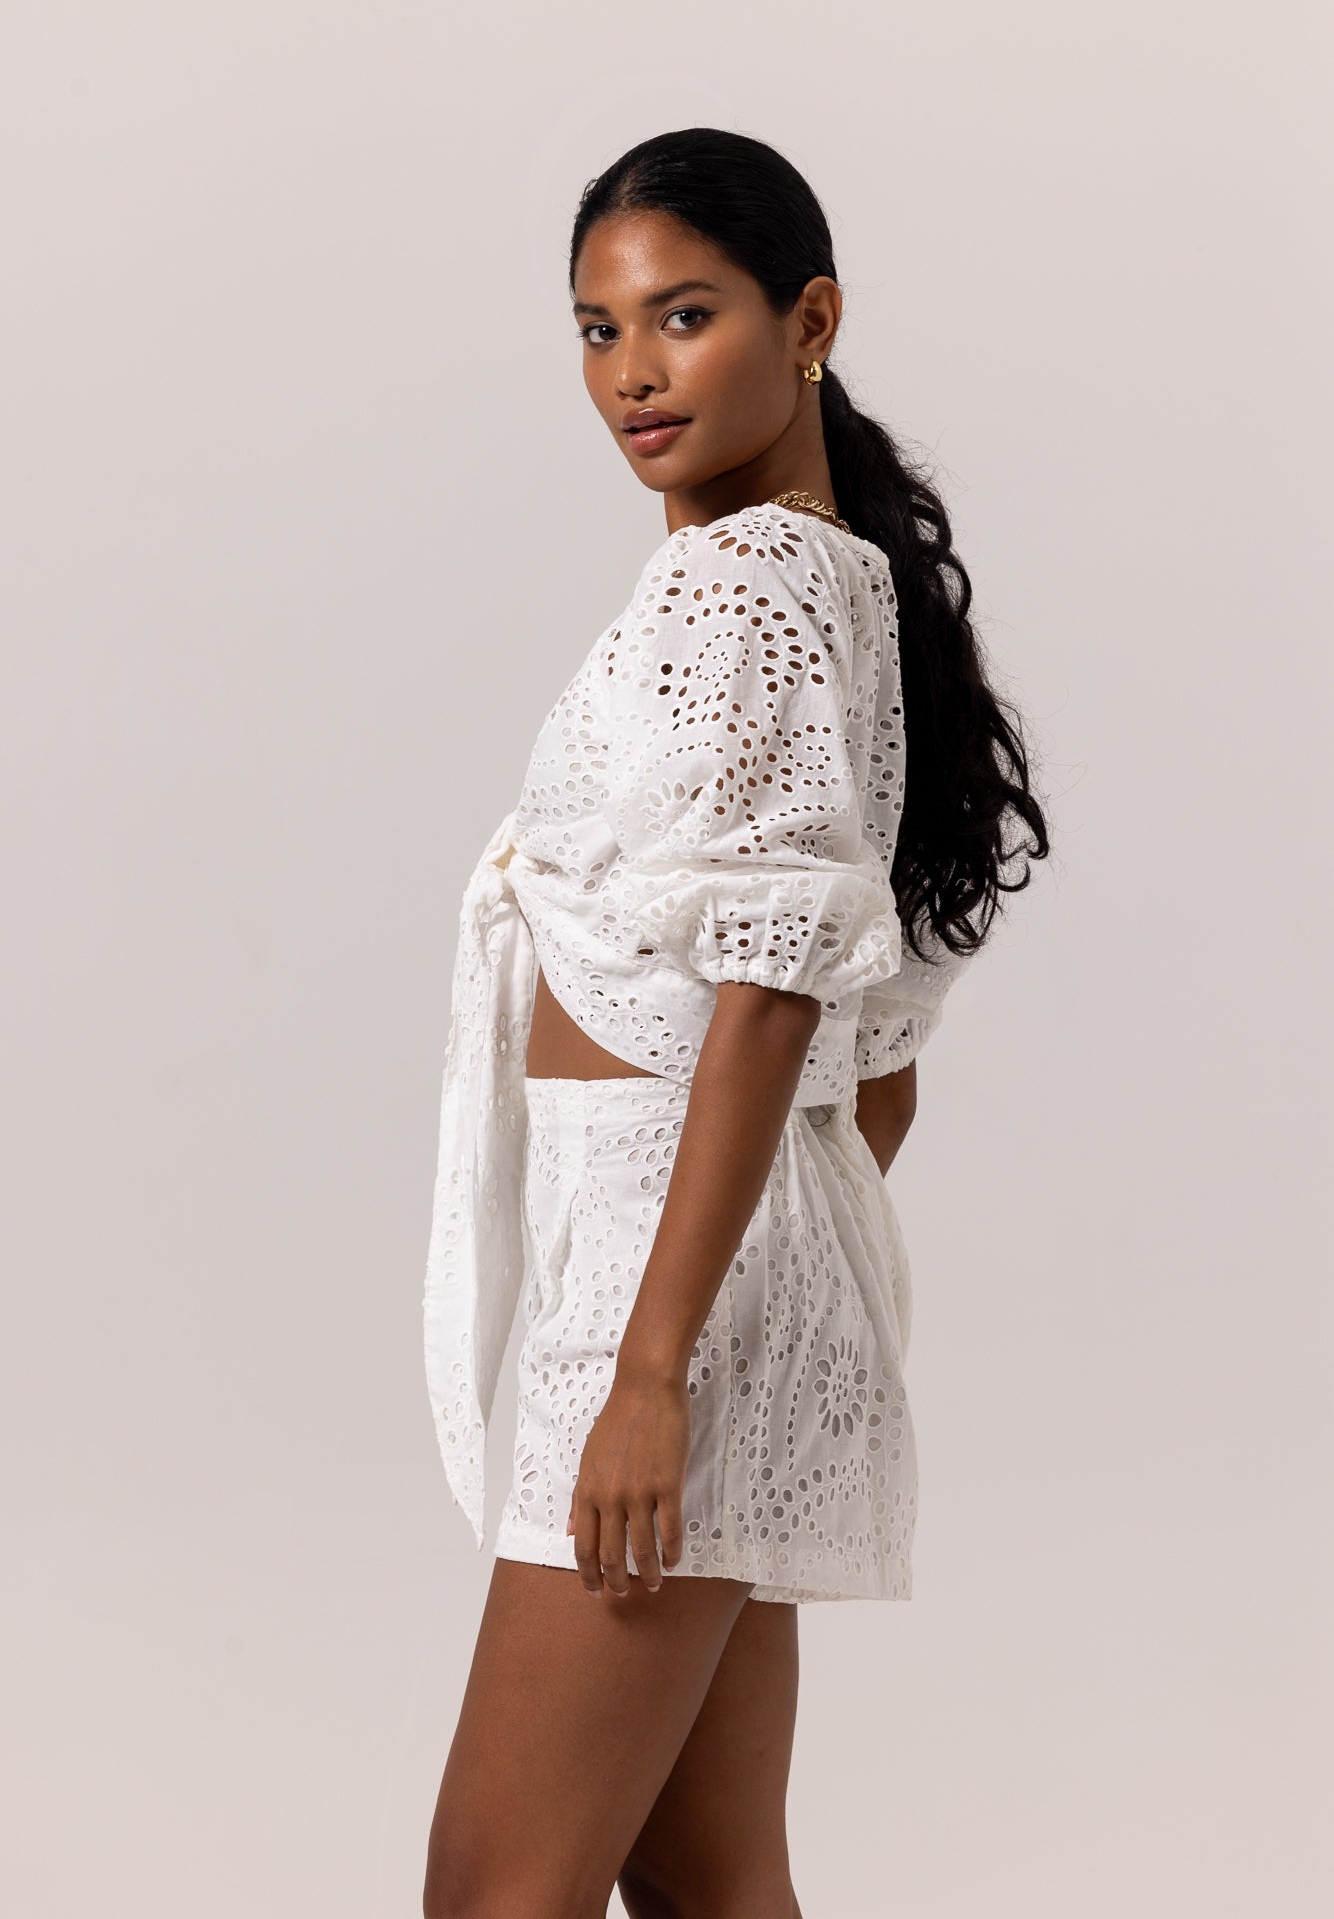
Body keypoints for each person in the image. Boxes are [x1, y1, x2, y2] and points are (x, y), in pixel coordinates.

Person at [420, 127, 1049, 1919]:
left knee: (494, 1893)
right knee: (704, 1883)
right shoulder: (842, 587)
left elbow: (777, 992)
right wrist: (773, 1272)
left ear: (810, 321)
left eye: (683, 316)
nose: (632, 372)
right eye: (597, 331)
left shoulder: (736, 587)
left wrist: (656, 1365)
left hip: (661, 1285)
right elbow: (875, 1071)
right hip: (721, 1265)